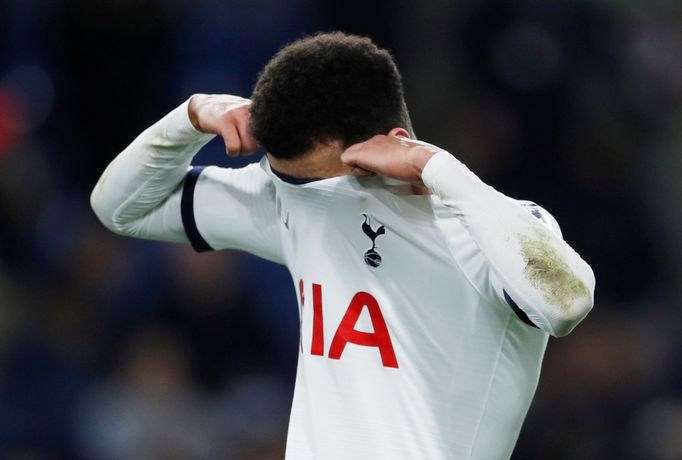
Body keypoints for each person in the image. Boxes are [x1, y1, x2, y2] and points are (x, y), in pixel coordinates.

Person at [91, 32, 595, 460]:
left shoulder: (491, 230)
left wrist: (438, 168)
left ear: (393, 145)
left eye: (318, 181)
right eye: (283, 177)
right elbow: (120, 208)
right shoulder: (292, 199)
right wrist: (190, 118)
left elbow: (566, 303)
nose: (294, 193)